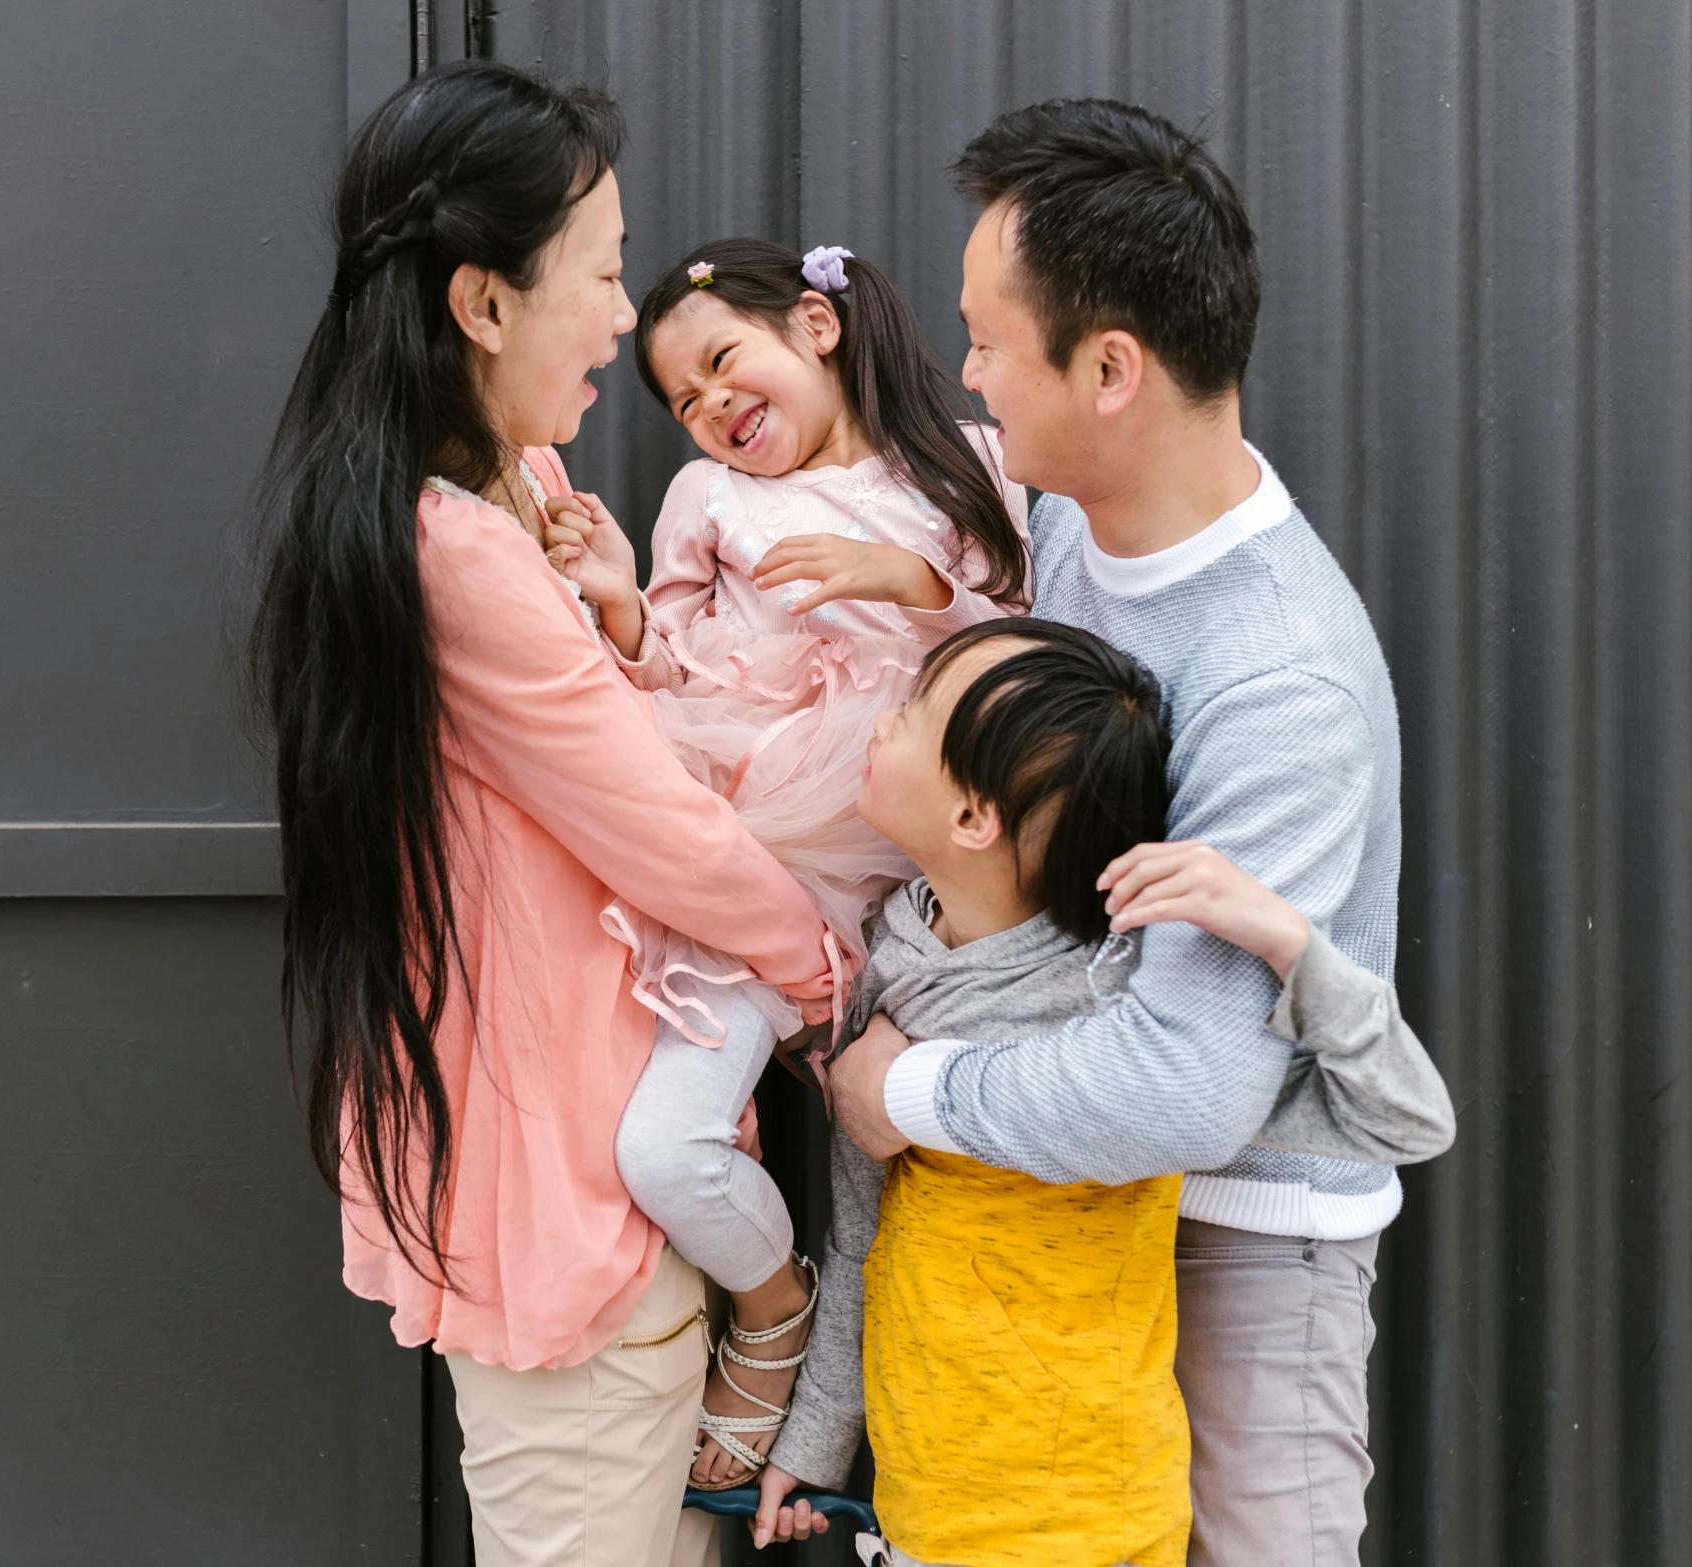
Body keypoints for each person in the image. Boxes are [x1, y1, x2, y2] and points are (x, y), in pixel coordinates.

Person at [244, 64, 839, 1567]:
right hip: (575, 1209)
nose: (622, 317)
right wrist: (839, 979)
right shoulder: (454, 551)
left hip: (594, 1176)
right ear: (481, 304)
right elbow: (663, 831)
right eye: (602, 269)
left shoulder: (507, 486)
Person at [824, 101, 1420, 1565]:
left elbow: (1188, 1085)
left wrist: (902, 1094)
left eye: (983, 341)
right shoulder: (1082, 517)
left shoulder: (1277, 679)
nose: (960, 376)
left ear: (1108, 370)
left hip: (1237, 1230)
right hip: (1068, 1218)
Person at [746, 620, 1452, 1567]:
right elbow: (861, 1230)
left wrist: (1285, 940)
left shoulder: (1124, 1011)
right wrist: (818, 1439)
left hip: (1092, 1524)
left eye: (912, 711)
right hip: (926, 1512)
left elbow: (1404, 1116)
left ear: (972, 819)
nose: (882, 720)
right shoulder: (895, 957)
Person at [538, 237, 1031, 1489]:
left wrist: (901, 574)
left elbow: (1032, 661)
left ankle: (859, 1452)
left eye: (721, 364)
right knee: (664, 1150)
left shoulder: (968, 467)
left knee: (909, 1194)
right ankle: (770, 1305)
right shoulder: (709, 504)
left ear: (815, 325)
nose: (709, 409)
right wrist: (622, 605)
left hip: (929, 922)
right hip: (756, 898)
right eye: (683, 403)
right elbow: (672, 680)